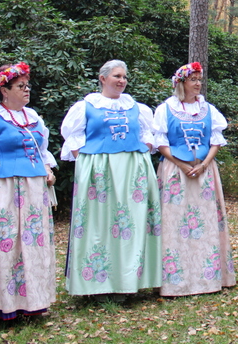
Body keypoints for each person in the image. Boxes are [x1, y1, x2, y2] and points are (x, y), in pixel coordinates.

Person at [0, 62, 57, 322]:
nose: (27, 90)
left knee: (31, 243)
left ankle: (31, 302)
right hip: (4, 187)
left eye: (28, 86)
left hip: (33, 189)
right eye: (20, 86)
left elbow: (42, 150)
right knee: (2, 243)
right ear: (4, 90)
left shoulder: (33, 117)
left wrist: (48, 170)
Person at [61, 60, 161, 300]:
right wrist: (86, 162)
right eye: (117, 76)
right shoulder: (86, 106)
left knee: (130, 225)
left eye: (124, 77)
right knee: (100, 224)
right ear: (102, 78)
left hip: (132, 171)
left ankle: (129, 282)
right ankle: (98, 286)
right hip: (99, 174)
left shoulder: (136, 107)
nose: (122, 80)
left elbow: (149, 134)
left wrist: (142, 149)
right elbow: (71, 135)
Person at [152, 62, 236, 296]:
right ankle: (175, 280)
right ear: (181, 83)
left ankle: (208, 278)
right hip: (175, 172)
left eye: (200, 79)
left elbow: (216, 140)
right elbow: (161, 143)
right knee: (175, 224)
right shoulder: (166, 109)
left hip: (204, 172)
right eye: (193, 80)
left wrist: (205, 164)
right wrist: (181, 164)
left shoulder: (208, 109)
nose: (198, 84)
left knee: (205, 223)